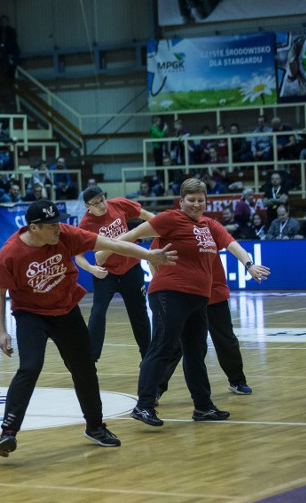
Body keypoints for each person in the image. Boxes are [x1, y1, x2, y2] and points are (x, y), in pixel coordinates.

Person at [0, 199, 178, 457]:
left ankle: (96, 427)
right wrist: (2, 331)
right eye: (51, 225)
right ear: (34, 228)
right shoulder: (10, 253)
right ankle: (8, 431)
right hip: (31, 315)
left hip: (66, 310)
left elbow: (111, 244)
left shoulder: (66, 235)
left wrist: (148, 255)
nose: (58, 228)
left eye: (59, 222)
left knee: (85, 369)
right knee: (30, 367)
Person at [103, 178, 270, 428]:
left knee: (195, 353)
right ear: (181, 201)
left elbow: (233, 245)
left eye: (200, 200)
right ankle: (144, 405)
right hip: (170, 294)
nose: (196, 204)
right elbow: (133, 234)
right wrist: (104, 251)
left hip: (198, 298)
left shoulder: (209, 224)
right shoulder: (169, 219)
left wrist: (249, 265)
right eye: (191, 200)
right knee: (162, 347)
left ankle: (203, 407)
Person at [156, 252, 253, 399]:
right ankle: (155, 389)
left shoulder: (211, 229)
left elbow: (231, 244)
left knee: (226, 340)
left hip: (214, 293)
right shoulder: (172, 230)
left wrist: (249, 265)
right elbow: (153, 257)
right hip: (185, 295)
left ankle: (237, 381)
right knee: (175, 345)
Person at [75, 186, 156, 362]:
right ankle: (90, 360)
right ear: (88, 207)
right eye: (95, 204)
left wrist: (162, 228)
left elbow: (145, 215)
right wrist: (92, 269)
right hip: (106, 274)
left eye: (102, 200)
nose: (101, 205)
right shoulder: (85, 225)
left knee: (139, 313)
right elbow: (78, 257)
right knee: (98, 312)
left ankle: (148, 358)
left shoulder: (118, 204)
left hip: (131, 268)